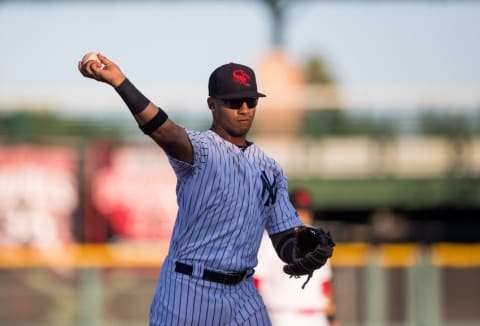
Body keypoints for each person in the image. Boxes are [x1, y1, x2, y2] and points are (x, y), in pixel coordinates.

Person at [78, 53, 333, 325]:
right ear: (213, 104)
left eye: (251, 100)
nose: (244, 108)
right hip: (189, 289)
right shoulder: (200, 150)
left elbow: (283, 239)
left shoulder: (270, 169)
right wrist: (120, 82)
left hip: (243, 291)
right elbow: (162, 129)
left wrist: (302, 249)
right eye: (234, 101)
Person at [255, 188, 339, 326]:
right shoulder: (270, 240)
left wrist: (332, 319)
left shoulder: (320, 239)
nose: (302, 216)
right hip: (282, 316)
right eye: (298, 211)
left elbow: (324, 286)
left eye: (306, 211)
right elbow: (256, 282)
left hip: (316, 317)